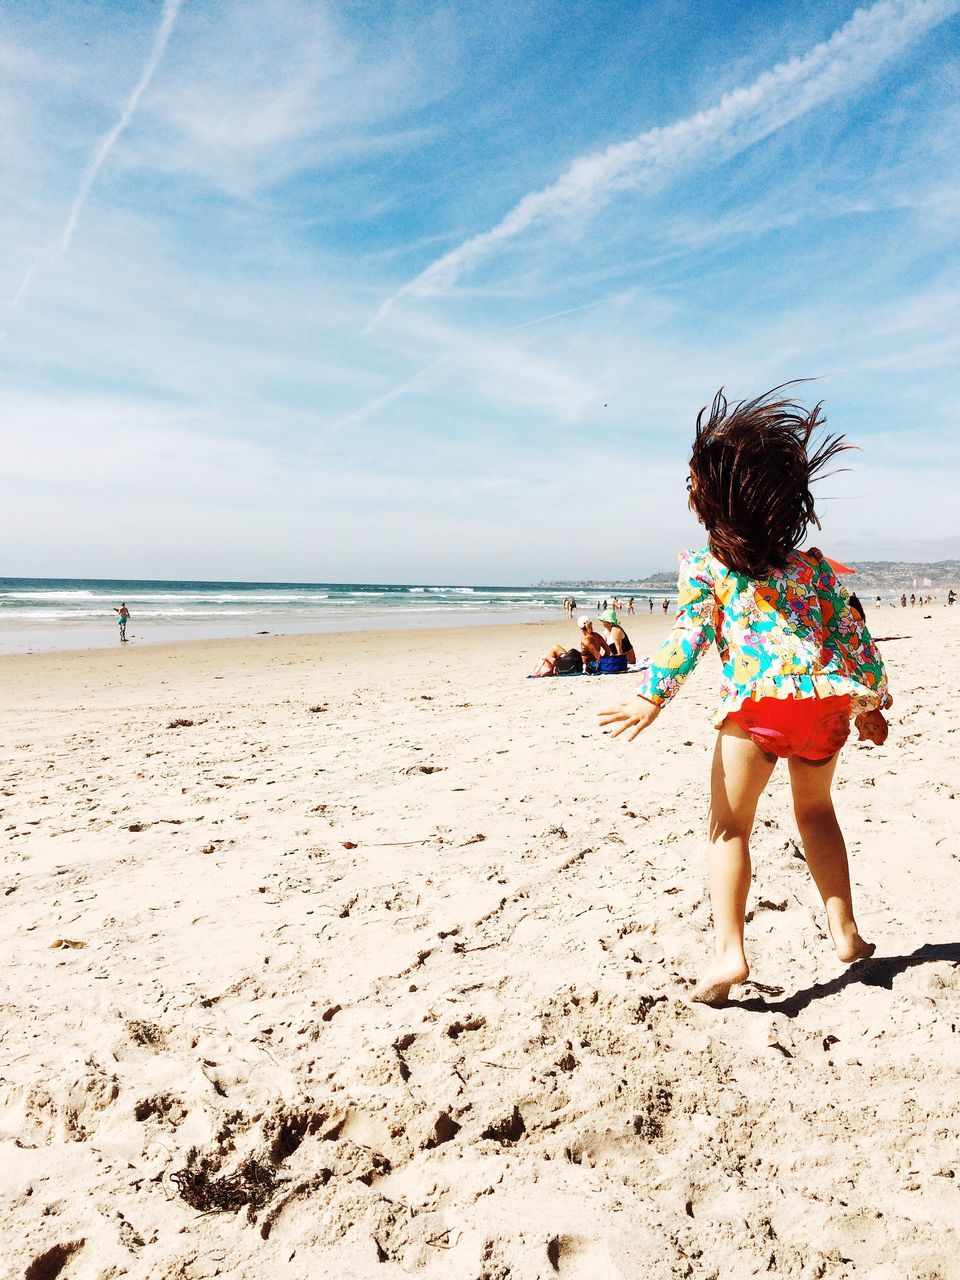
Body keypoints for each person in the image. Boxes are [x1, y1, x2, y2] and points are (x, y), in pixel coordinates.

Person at [598, 385, 890, 1004]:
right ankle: (845, 930)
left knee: (729, 828)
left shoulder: (707, 566)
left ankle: (730, 952)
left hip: (755, 709)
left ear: (713, 504)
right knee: (816, 812)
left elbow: (692, 634)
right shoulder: (813, 569)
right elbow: (852, 634)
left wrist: (652, 697)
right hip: (823, 707)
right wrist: (870, 705)